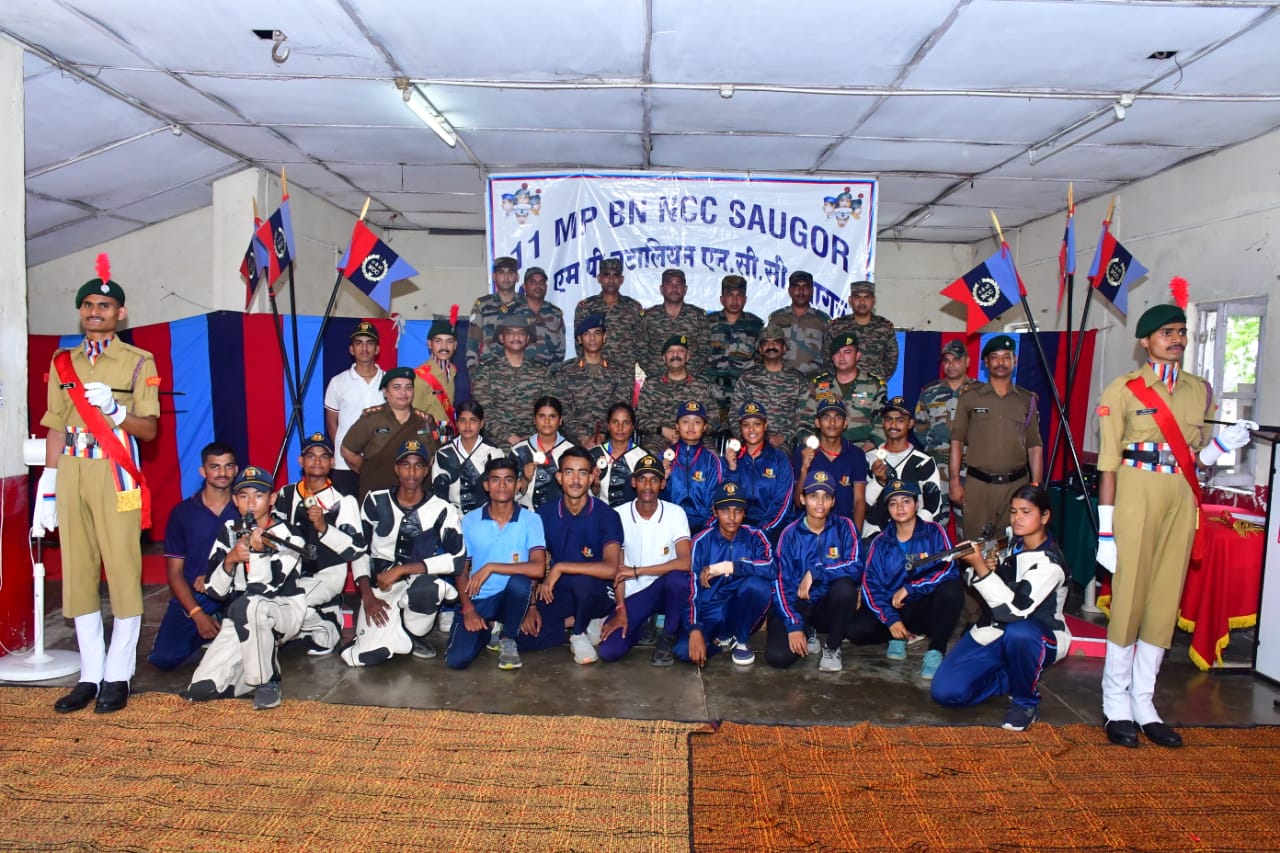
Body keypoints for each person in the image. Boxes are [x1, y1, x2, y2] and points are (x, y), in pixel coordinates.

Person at [1095, 302, 1254, 748]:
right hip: (1136, 490)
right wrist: (1105, 530)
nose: (1177, 339)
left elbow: (1198, 458)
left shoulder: (1198, 391)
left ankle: (1144, 703)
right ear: (1145, 341)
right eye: (1167, 332)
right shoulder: (1122, 390)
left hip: (1182, 495)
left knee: (1165, 599)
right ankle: (1115, 704)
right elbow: (1107, 464)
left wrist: (1223, 445)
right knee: (1129, 598)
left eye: (1181, 332)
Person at [37, 260, 160, 715]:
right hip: (71, 469)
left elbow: (148, 430)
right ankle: (90, 673)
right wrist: (48, 484)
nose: (95, 312)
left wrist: (115, 412)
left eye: (104, 306)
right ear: (80, 312)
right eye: (88, 305)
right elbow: (55, 425)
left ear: (120, 313)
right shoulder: (62, 361)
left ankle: (118, 674)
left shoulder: (138, 361)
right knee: (78, 573)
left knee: (124, 571)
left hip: (116, 472)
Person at [931, 485, 1073, 731]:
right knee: (946, 692)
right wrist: (982, 567)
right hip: (994, 630)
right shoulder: (1010, 543)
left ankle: (1025, 703)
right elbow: (971, 580)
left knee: (1020, 633)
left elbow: (1014, 611)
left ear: (1045, 516)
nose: (1017, 518)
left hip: (1039, 634)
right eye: (1014, 511)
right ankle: (1012, 676)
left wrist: (982, 568)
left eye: (1026, 512)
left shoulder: (1050, 564)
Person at [183, 466, 307, 710]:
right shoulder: (229, 530)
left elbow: (267, 589)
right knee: (201, 689)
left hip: (282, 609)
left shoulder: (289, 535)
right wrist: (230, 559)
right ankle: (250, 673)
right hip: (240, 614)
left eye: (259, 495)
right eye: (243, 496)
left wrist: (257, 554)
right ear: (234, 500)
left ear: (272, 499)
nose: (251, 503)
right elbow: (215, 591)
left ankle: (267, 681)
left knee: (252, 605)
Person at [342, 440, 464, 666]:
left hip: (417, 581)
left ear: (426, 470)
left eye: (418, 466)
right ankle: (394, 633)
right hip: (382, 586)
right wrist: (367, 596)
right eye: (406, 465)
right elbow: (359, 550)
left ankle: (412, 634)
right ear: (396, 469)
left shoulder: (442, 508)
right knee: (364, 657)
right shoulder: (376, 500)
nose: (412, 472)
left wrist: (401, 570)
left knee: (430, 588)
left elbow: (457, 559)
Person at [518, 447, 623, 665]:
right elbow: (533, 561)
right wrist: (531, 606)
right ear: (559, 477)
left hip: (598, 592)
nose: (575, 480)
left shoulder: (607, 515)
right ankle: (577, 622)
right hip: (560, 590)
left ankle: (578, 633)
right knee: (522, 636)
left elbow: (611, 568)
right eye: (569, 472)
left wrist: (561, 567)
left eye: (582, 473)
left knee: (583, 581)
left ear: (592, 477)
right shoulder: (544, 514)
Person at [146, 442, 240, 671]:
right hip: (197, 597)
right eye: (215, 467)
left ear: (236, 470)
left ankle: (226, 633)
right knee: (164, 658)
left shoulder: (245, 508)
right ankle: (208, 633)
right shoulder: (182, 513)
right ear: (203, 471)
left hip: (235, 591)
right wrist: (197, 614)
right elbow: (174, 573)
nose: (222, 473)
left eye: (228, 466)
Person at [446, 456, 547, 670]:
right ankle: (490, 627)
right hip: (479, 598)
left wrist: (491, 567)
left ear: (518, 484)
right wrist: (468, 609)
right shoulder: (470, 520)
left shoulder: (531, 520)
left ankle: (507, 637)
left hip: (512, 599)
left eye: (508, 479)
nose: (502, 486)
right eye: (495, 480)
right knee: (457, 660)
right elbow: (461, 568)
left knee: (519, 583)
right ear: (486, 485)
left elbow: (538, 568)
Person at [272, 432, 365, 656]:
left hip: (327, 573)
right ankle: (323, 612)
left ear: (332, 462)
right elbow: (274, 534)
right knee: (264, 600)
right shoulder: (286, 493)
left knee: (285, 604)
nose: (317, 461)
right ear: (300, 461)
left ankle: (327, 627)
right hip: (292, 570)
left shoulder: (343, 500)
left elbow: (356, 548)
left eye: (324, 456)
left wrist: (324, 527)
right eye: (311, 456)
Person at [860, 479, 964, 680]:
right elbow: (870, 584)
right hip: (897, 607)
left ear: (916, 504)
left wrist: (911, 588)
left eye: (906, 501)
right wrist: (891, 619)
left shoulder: (934, 531)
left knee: (951, 591)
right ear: (888, 509)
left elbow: (947, 567)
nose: (899, 507)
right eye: (893, 503)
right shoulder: (880, 542)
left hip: (926, 606)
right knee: (857, 631)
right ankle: (899, 634)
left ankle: (936, 650)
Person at [765, 469, 865, 672]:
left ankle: (833, 647)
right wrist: (794, 625)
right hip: (798, 604)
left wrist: (817, 572)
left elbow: (856, 566)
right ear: (803, 499)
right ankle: (806, 629)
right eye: (813, 496)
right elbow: (780, 584)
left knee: (845, 588)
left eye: (826, 497)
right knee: (778, 657)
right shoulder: (789, 534)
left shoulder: (845, 527)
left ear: (833, 501)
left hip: (828, 606)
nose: (820, 503)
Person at [598, 454, 693, 667]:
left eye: (654, 480)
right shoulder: (618, 515)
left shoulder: (675, 513)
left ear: (663, 484)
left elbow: (685, 562)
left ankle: (667, 636)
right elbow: (618, 569)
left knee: (678, 579)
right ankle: (642, 626)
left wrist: (638, 570)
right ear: (633, 482)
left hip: (665, 591)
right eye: (642, 479)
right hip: (634, 594)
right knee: (609, 650)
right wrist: (621, 608)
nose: (648, 486)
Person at [948, 335, 1043, 540]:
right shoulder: (970, 397)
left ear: (1014, 361)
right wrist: (955, 482)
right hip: (978, 487)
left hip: (1016, 487)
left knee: (1011, 545)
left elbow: (1034, 446)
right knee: (976, 546)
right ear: (986, 362)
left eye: (1006, 357)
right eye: (995, 357)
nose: (1001, 362)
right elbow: (956, 441)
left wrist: (1036, 485)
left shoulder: (1026, 400)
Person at [678, 481, 774, 667]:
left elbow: (772, 567)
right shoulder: (701, 541)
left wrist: (729, 567)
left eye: (738, 510)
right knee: (684, 651)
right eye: (725, 510)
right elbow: (691, 589)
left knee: (757, 586)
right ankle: (721, 641)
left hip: (738, 609)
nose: (731, 517)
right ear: (715, 511)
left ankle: (741, 639)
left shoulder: (755, 536)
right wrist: (695, 628)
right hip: (709, 610)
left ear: (745, 513)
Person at [341, 366, 439, 500]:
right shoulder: (371, 419)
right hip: (377, 496)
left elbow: (434, 456)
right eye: (396, 387)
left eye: (408, 387)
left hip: (416, 497)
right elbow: (347, 450)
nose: (403, 393)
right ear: (385, 392)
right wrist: (369, 471)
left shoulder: (424, 421)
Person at [914, 340, 977, 530]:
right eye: (947, 360)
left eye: (956, 360)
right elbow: (919, 426)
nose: (951, 365)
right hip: (937, 470)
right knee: (934, 524)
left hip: (969, 470)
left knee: (969, 526)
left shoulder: (980, 392)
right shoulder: (930, 391)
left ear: (967, 361)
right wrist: (936, 448)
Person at [862, 397, 943, 538]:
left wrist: (909, 531)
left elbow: (933, 507)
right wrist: (878, 482)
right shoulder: (869, 458)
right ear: (883, 422)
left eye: (900, 420)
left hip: (914, 536)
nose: (893, 425)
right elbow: (862, 504)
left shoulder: (923, 462)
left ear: (910, 423)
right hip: (875, 535)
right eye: (889, 419)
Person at [470, 313, 551, 449]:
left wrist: (532, 438)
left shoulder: (542, 371)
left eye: (521, 333)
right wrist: (510, 437)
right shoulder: (486, 371)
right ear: (501, 338)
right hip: (497, 443)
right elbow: (483, 411)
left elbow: (548, 409)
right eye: (510, 333)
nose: (516, 337)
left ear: (527, 338)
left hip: (535, 442)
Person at [553, 313, 633, 448]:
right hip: (571, 443)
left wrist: (601, 434)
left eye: (597, 333)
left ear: (604, 337)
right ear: (579, 339)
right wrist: (583, 438)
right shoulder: (565, 371)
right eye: (587, 334)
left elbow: (620, 409)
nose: (592, 338)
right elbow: (563, 410)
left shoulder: (619, 372)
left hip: (609, 441)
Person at [324, 320, 385, 496]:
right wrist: (345, 450)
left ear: (377, 349)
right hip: (344, 465)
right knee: (346, 510)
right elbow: (332, 424)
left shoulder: (389, 382)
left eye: (369, 343)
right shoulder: (338, 382)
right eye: (359, 343)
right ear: (351, 349)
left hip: (380, 463)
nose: (364, 348)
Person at [729, 324, 809, 452]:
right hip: (750, 440)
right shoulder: (747, 377)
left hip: (783, 444)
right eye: (766, 342)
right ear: (760, 349)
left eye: (776, 342)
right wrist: (747, 437)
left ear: (784, 348)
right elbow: (734, 414)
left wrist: (783, 436)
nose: (771, 346)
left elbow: (805, 416)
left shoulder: (798, 379)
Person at [723, 401, 795, 543]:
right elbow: (727, 499)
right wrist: (732, 469)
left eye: (757, 424)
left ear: (765, 426)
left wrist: (763, 530)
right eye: (746, 425)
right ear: (740, 428)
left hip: (774, 529)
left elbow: (783, 502)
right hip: (739, 529)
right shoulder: (733, 458)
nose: (751, 430)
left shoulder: (779, 459)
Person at [635, 334, 717, 455]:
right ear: (664, 358)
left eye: (680, 351)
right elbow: (639, 417)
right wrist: (661, 430)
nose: (675, 355)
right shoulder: (652, 384)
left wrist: (692, 433)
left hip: (696, 438)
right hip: (659, 438)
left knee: (713, 456)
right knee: (647, 457)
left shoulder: (702, 385)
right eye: (670, 351)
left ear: (687, 357)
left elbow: (714, 418)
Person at [793, 399, 868, 530]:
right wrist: (804, 469)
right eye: (826, 417)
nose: (832, 422)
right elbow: (798, 503)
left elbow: (859, 501)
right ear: (817, 422)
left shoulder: (856, 454)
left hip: (842, 530)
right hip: (808, 531)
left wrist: (855, 536)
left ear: (845, 423)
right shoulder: (803, 452)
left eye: (837, 417)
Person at [805, 331, 886, 451]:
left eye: (847, 352)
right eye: (837, 353)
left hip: (863, 449)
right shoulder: (818, 385)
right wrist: (813, 447)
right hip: (824, 449)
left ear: (857, 356)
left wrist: (862, 451)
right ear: (832, 358)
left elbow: (882, 424)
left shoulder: (874, 386)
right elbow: (805, 421)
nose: (842, 357)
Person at [704, 274, 763, 432]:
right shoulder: (707, 323)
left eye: (739, 295)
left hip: (743, 394)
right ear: (722, 299)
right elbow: (698, 357)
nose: (735, 300)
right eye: (730, 295)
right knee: (709, 437)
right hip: (712, 394)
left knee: (742, 437)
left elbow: (761, 362)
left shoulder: (756, 325)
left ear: (745, 299)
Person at [661, 400, 724, 535]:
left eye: (697, 422)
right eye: (685, 421)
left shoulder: (711, 461)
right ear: (677, 426)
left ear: (705, 427)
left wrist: (704, 532)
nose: (691, 426)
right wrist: (663, 480)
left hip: (701, 528)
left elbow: (716, 503)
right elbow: (654, 501)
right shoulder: (664, 457)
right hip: (667, 526)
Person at [431, 399, 505, 515]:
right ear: (456, 423)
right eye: (462, 420)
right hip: (452, 516)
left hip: (486, 516)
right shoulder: (444, 453)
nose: (467, 425)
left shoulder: (493, 453)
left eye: (473, 420)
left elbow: (499, 492)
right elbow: (439, 495)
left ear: (481, 423)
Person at [574, 256, 645, 375]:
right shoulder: (585, 307)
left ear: (621, 279)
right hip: (594, 373)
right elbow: (579, 343)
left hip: (624, 374)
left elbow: (641, 344)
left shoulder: (633, 307)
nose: (611, 279)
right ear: (599, 278)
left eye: (615, 275)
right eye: (606, 275)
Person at [639, 268, 711, 380]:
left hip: (691, 382)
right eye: (669, 284)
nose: (674, 288)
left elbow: (705, 349)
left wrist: (691, 375)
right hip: (658, 382)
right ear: (661, 289)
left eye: (679, 284)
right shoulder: (649, 317)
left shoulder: (698, 316)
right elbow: (640, 349)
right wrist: (654, 375)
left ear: (685, 289)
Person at [511, 396, 575, 510]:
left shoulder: (571, 451)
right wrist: (525, 479)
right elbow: (507, 494)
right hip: (525, 515)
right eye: (541, 416)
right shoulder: (519, 450)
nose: (547, 421)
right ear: (534, 420)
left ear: (560, 420)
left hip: (559, 515)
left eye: (552, 416)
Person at [827, 280, 898, 382]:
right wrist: (842, 379)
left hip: (873, 386)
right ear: (850, 300)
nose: (862, 302)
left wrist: (871, 381)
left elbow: (891, 360)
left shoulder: (885, 327)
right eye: (857, 297)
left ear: (873, 301)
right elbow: (827, 357)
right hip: (841, 385)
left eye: (866, 297)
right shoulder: (837, 326)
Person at [765, 270, 830, 380]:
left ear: (812, 291)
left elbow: (831, 356)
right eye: (796, 287)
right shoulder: (776, 318)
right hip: (782, 382)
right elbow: (766, 351)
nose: (801, 291)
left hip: (814, 382)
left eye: (805, 286)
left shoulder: (823, 320)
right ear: (790, 291)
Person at [412, 310, 463, 439]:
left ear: (455, 345)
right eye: (438, 341)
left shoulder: (453, 371)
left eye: (449, 341)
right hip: (427, 438)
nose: (444, 346)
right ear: (429, 344)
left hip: (448, 437)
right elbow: (412, 416)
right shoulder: (419, 376)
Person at [589, 402, 650, 507]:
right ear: (608, 425)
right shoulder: (593, 454)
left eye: (626, 423)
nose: (620, 427)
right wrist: (595, 488)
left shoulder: (643, 457)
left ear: (633, 427)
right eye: (615, 422)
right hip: (600, 514)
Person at [466, 256, 522, 369]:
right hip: (490, 371)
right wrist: (474, 373)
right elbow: (472, 342)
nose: (506, 277)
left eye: (511, 272)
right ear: (494, 276)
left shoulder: (526, 304)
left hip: (522, 372)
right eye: (501, 272)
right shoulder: (482, 305)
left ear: (517, 277)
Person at [518, 266, 566, 367]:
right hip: (520, 373)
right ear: (525, 286)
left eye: (541, 282)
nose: (538, 286)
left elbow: (561, 349)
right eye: (533, 282)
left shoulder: (555, 313)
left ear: (546, 286)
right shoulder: (513, 311)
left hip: (548, 373)